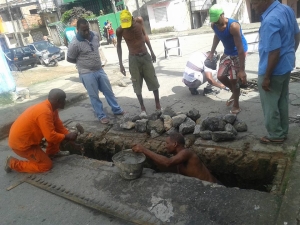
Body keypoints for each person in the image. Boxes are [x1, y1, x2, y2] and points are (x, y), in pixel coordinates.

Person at [251, 0, 300, 144]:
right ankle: (283, 131)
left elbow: (274, 51)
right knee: (282, 100)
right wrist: (290, 52)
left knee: (270, 104)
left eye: (254, 4)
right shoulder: (286, 10)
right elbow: (297, 35)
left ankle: (276, 135)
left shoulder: (270, 20)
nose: (253, 8)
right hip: (285, 65)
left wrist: (266, 77)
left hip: (273, 69)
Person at [5, 89, 78, 173]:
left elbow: (59, 127)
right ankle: (12, 163)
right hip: (22, 145)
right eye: (64, 99)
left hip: (28, 141)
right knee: (46, 165)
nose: (66, 101)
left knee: (55, 131)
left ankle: (52, 153)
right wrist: (67, 136)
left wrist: (69, 137)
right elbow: (50, 137)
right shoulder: (44, 112)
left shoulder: (52, 109)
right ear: (58, 101)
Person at [67, 18, 124, 124]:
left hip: (99, 69)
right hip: (86, 72)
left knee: (108, 91)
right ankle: (101, 115)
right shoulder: (74, 43)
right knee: (94, 95)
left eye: (87, 29)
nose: (86, 32)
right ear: (78, 29)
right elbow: (69, 58)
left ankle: (117, 110)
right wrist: (82, 62)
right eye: (83, 30)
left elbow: (97, 48)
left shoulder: (95, 35)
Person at [116, 10, 161, 117]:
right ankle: (142, 108)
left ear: (132, 18)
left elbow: (145, 36)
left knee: (153, 80)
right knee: (136, 84)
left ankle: (158, 105)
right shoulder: (120, 30)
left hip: (145, 56)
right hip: (133, 59)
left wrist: (152, 52)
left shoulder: (139, 21)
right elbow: (119, 46)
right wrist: (121, 64)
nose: (127, 27)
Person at [208, 4, 248, 114]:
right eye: (214, 21)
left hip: (238, 52)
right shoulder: (214, 25)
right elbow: (216, 36)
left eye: (217, 20)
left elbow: (240, 48)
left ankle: (236, 105)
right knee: (220, 75)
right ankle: (235, 93)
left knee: (234, 80)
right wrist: (211, 52)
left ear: (222, 15)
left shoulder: (233, 26)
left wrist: (242, 70)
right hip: (227, 52)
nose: (216, 23)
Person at [132, 132, 218, 183]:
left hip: (212, 186)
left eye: (167, 143)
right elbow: (165, 166)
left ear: (175, 144)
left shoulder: (186, 153)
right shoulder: (179, 159)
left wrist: (143, 150)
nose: (165, 146)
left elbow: (167, 163)